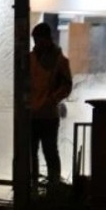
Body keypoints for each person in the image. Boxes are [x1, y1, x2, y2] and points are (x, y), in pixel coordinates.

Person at [30, 22, 72, 186]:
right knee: (31, 153)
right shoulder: (30, 58)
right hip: (32, 114)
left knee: (50, 151)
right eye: (35, 40)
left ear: (48, 39)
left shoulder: (60, 61)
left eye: (39, 40)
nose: (36, 43)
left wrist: (52, 99)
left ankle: (53, 187)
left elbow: (67, 86)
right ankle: (32, 185)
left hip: (48, 115)